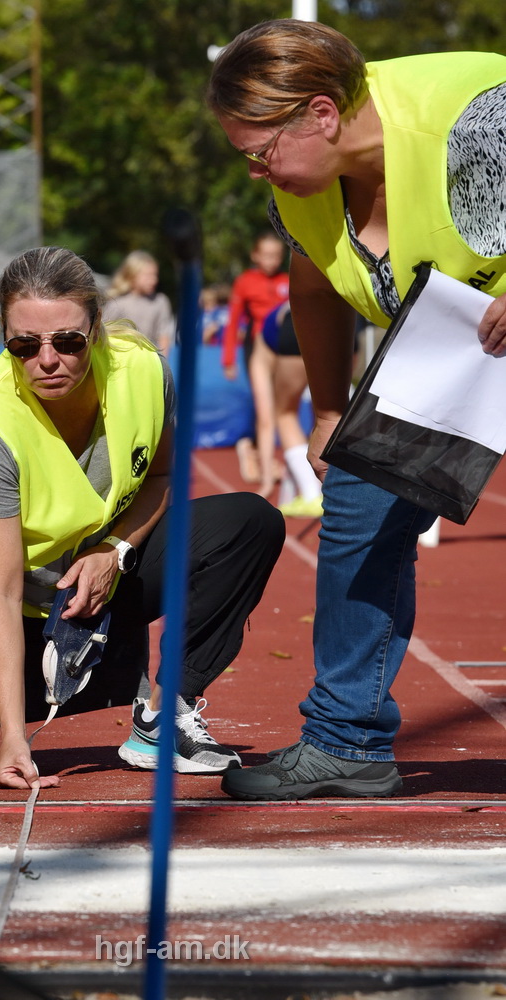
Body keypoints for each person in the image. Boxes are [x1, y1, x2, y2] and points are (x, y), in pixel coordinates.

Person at [207, 19, 506, 800]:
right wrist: (328, 411)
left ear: (321, 113)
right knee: (357, 498)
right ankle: (345, 739)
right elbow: (311, 289)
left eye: (258, 151)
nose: (252, 172)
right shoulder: (297, 194)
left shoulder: (476, 111)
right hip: (451, 345)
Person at [0, 246, 285, 789]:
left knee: (250, 522)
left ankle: (162, 718)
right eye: (23, 344)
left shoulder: (145, 371)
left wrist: (114, 551)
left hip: (85, 580)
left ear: (96, 329)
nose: (47, 360)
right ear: (6, 338)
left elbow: (162, 479)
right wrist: (14, 741)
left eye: (67, 341)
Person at [222, 233, 290, 499]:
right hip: (258, 351)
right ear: (256, 255)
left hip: (287, 352)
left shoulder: (287, 280)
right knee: (265, 414)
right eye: (267, 255)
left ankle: (289, 468)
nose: (272, 261)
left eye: (277, 255)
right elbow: (233, 322)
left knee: (285, 412)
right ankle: (265, 477)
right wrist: (228, 359)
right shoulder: (245, 282)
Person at [261, 302, 323, 518]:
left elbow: (264, 419)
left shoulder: (269, 329)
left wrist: (267, 478)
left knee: (285, 413)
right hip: (347, 322)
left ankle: (311, 495)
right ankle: (337, 492)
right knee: (331, 413)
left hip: (298, 320)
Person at [102, 250, 174, 356]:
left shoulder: (160, 302)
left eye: (155, 275)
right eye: (148, 275)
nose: (154, 280)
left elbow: (163, 335)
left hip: (150, 359)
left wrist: (163, 362)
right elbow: (104, 332)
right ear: (132, 274)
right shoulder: (117, 302)